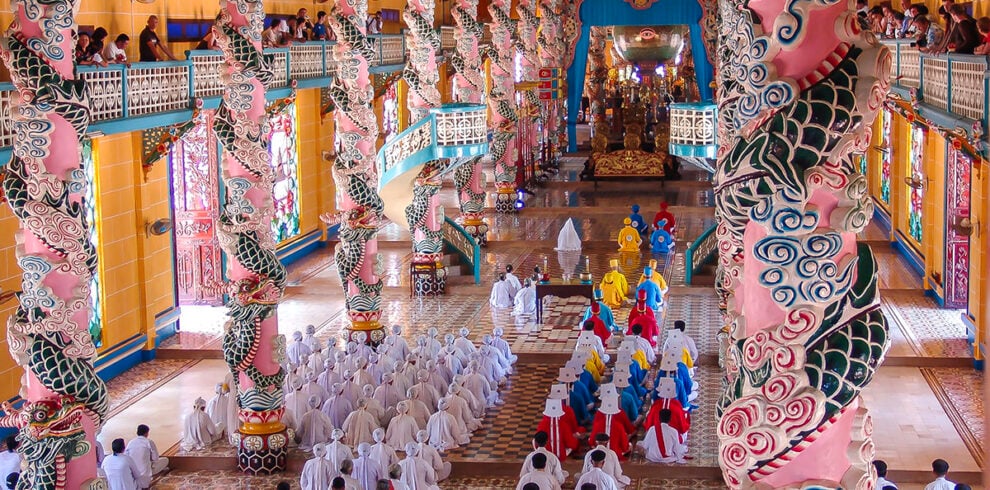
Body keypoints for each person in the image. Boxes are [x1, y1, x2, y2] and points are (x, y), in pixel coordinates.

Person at [589, 395, 635, 460]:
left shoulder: (598, 421)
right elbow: (625, 446)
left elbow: (591, 441)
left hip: (599, 453)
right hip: (616, 454)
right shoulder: (619, 424)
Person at [125, 424, 168, 489]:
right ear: (146, 433)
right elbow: (155, 458)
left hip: (132, 473)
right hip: (145, 474)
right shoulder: (149, 442)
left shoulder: (131, 442)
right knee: (165, 460)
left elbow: (127, 457)